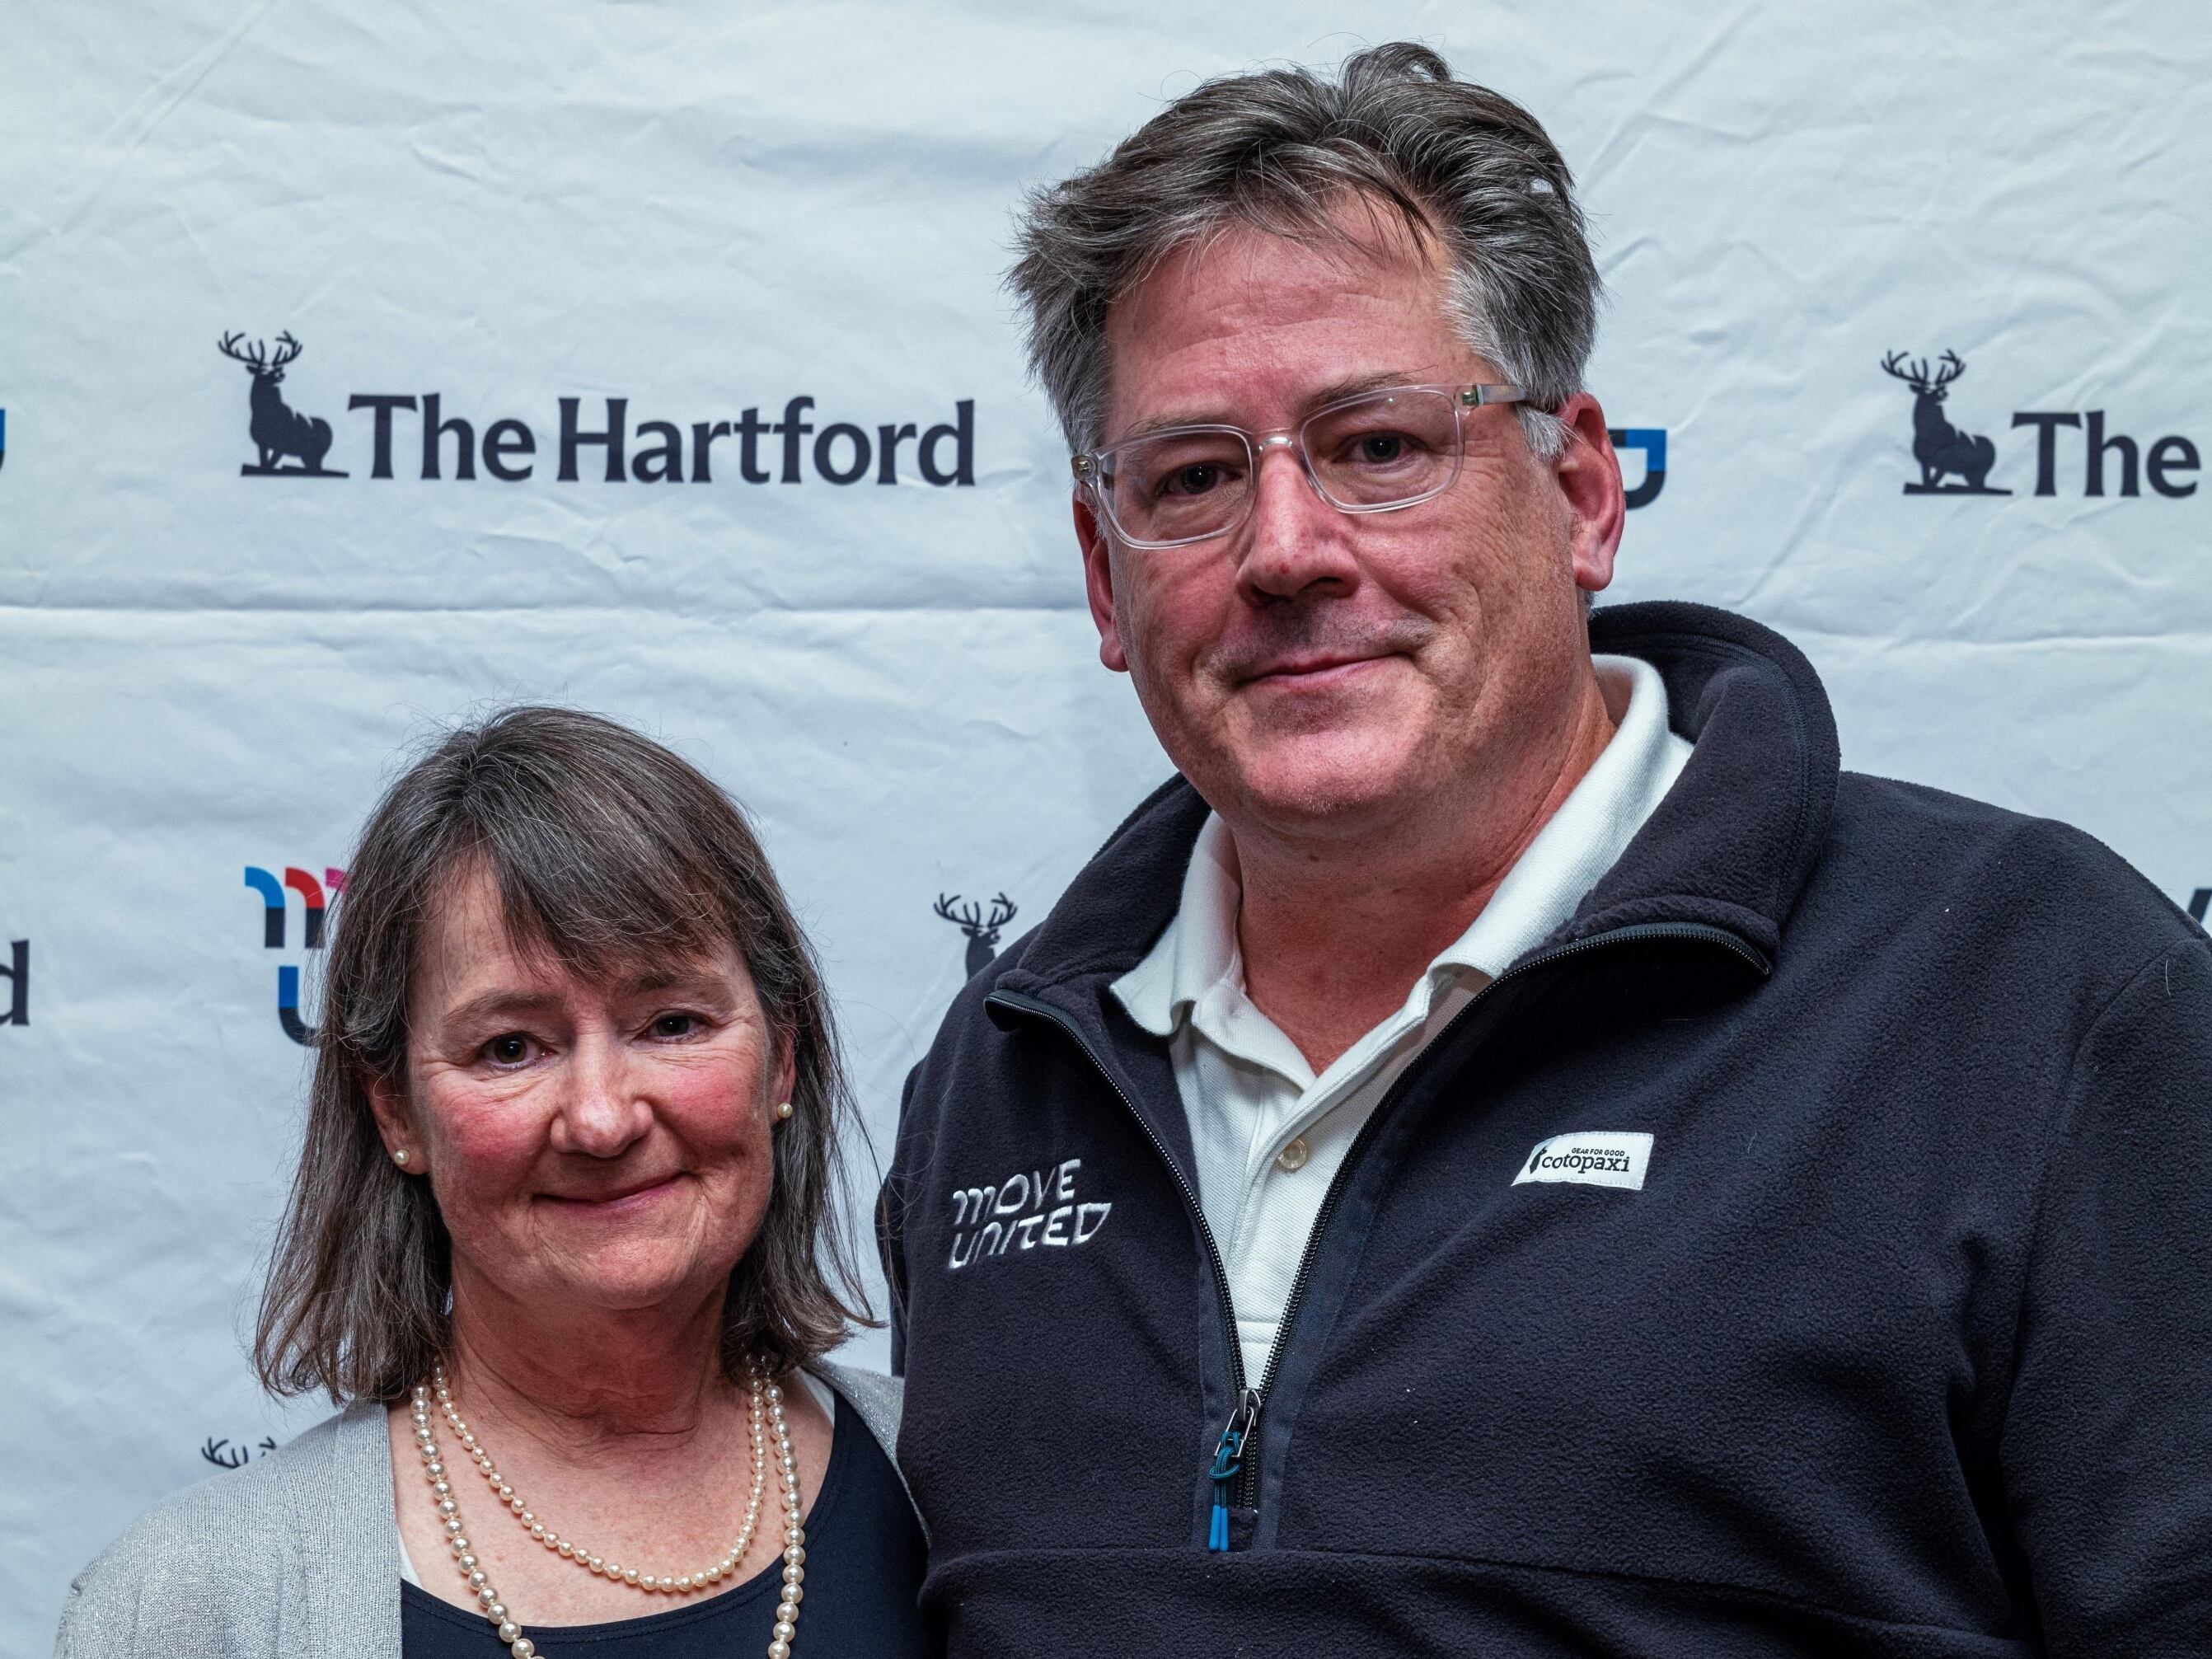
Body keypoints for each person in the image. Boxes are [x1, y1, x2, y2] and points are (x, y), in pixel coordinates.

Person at [879, 41, 2212, 1657]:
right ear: (1104, 575)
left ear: (1580, 489)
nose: (1287, 549)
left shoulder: (2034, 998)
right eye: (1193, 477)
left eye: (1378, 446)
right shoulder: (1004, 1070)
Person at [60, 707, 934, 1659]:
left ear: (780, 1062)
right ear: (395, 1112)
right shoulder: (194, 1607)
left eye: (672, 1023)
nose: (601, 1118)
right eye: (510, 1047)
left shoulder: (965, 1500)